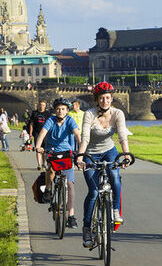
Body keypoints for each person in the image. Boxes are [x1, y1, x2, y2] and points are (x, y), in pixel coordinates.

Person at [76, 82, 130, 247]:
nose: (105, 101)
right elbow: (85, 137)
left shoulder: (118, 113)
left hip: (109, 151)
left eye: (107, 98)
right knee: (93, 191)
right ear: (97, 99)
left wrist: (126, 153)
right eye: (101, 98)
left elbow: (122, 135)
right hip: (90, 153)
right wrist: (80, 156)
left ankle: (115, 210)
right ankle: (87, 228)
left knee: (114, 176)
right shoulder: (89, 114)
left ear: (111, 98)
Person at [35, 98, 82, 229]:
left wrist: (81, 148)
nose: (60, 111)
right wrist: (38, 147)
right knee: (50, 170)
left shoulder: (70, 121)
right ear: (55, 111)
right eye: (58, 109)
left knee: (70, 184)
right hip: (52, 151)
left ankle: (71, 216)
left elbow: (77, 134)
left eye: (63, 109)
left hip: (67, 153)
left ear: (67, 110)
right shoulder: (51, 120)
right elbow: (43, 133)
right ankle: (48, 191)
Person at [26, 100, 51, 172]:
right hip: (36, 133)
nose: (41, 106)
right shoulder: (35, 113)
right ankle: (39, 164)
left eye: (43, 105)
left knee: (44, 150)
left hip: (45, 134)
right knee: (38, 148)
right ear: (38, 105)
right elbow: (31, 124)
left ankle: (43, 163)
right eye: (40, 105)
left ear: (45, 106)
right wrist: (30, 133)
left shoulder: (47, 114)